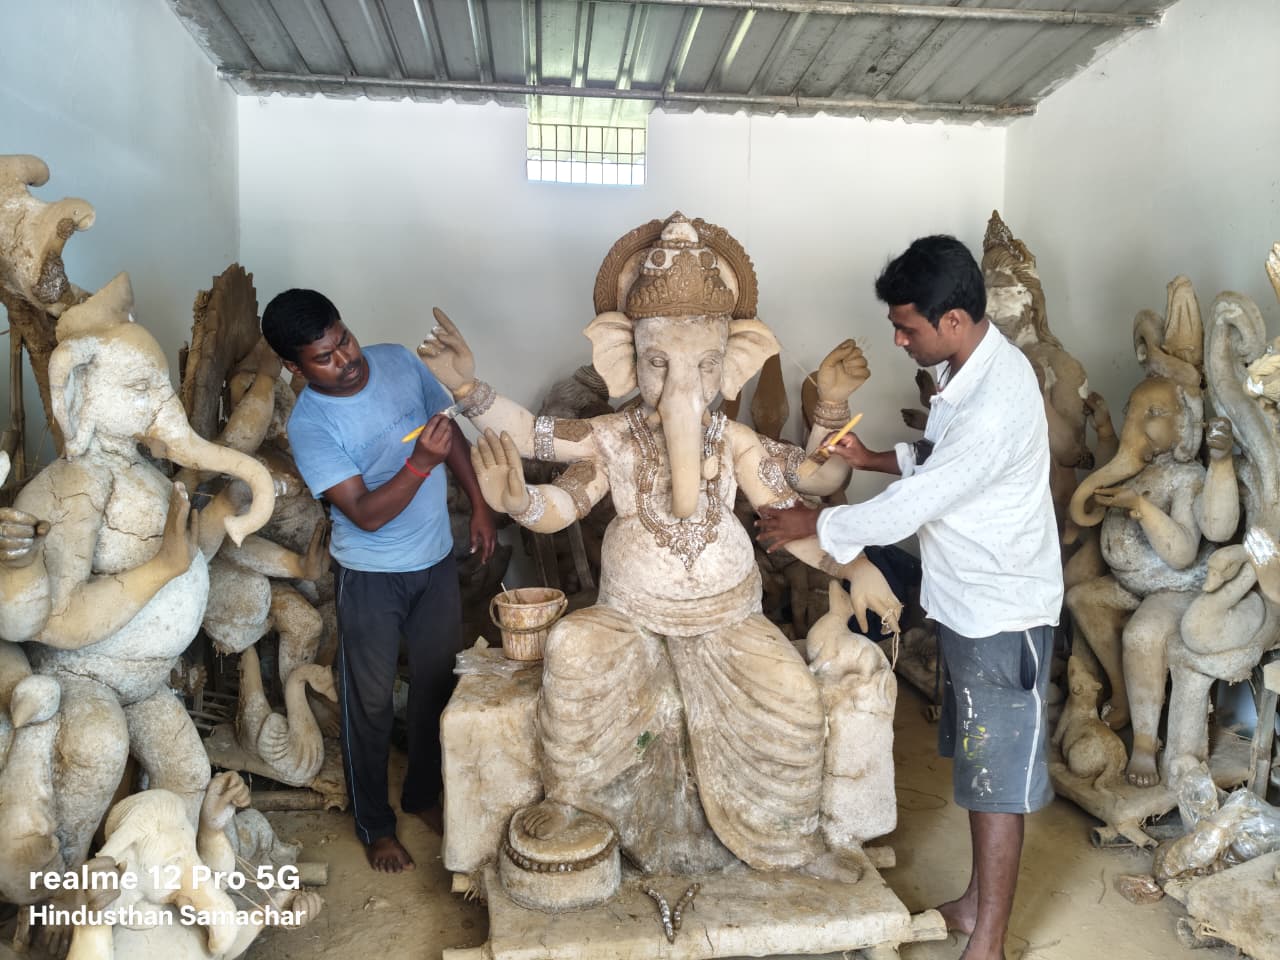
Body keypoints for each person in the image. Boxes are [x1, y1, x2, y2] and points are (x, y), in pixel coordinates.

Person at [755, 235, 1063, 960]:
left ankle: (988, 941)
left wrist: (817, 523)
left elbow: (921, 500)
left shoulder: (998, 396)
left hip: (1001, 611)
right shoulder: (966, 375)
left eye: (908, 327)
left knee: (994, 783)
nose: (897, 338)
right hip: (967, 601)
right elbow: (937, 458)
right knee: (971, 763)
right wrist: (872, 457)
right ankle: (974, 902)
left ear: (952, 320)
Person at [261, 289, 497, 874]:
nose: (346, 359)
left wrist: (481, 503)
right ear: (296, 367)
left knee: (436, 686)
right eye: (325, 357)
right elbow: (364, 512)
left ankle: (421, 797)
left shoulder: (394, 359)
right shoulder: (311, 426)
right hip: (370, 577)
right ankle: (375, 823)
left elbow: (449, 438)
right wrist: (420, 462)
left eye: (343, 338)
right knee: (367, 704)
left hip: (435, 561)